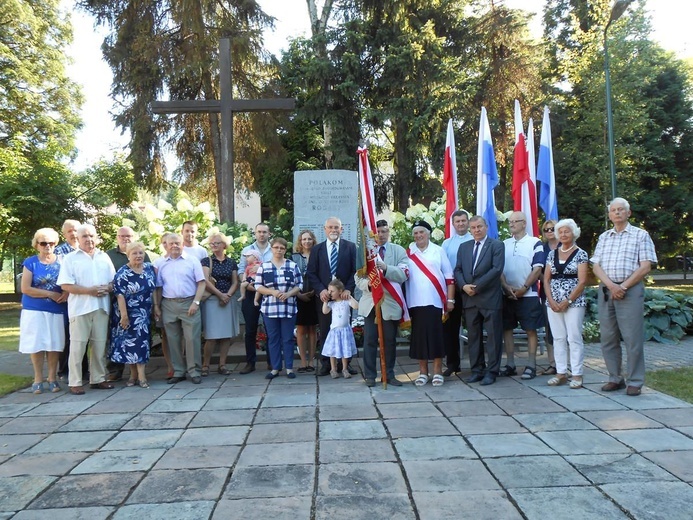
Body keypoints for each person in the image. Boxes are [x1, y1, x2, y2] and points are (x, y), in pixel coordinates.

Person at [591, 197, 657, 396]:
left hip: (630, 290)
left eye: (621, 209)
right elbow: (595, 265)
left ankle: (635, 381)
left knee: (632, 338)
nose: (617, 213)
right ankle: (614, 378)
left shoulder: (640, 235)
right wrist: (611, 286)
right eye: (614, 210)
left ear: (629, 213)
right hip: (607, 290)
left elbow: (645, 266)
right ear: (610, 215)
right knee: (608, 337)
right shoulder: (604, 237)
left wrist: (623, 286)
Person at [57, 224, 116, 395]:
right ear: (78, 238)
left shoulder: (103, 257)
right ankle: (75, 381)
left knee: (99, 346)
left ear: (96, 238)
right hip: (80, 308)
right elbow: (66, 285)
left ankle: (98, 379)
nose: (89, 239)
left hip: (101, 307)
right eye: (84, 236)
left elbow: (114, 282)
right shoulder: (70, 258)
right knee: (78, 347)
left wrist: (108, 288)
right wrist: (89, 291)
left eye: (92, 236)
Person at [355, 219, 409, 387]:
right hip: (371, 302)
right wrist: (369, 285)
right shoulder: (365, 252)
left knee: (389, 340)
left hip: (390, 302)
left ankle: (389, 375)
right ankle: (370, 376)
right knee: (370, 340)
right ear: (373, 233)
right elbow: (358, 276)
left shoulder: (398, 251)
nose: (381, 234)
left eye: (384, 231)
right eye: (378, 231)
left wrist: (386, 268)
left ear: (388, 232)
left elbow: (404, 273)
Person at [454, 216, 505, 386]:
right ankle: (477, 370)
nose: (476, 230)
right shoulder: (464, 247)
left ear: (486, 227)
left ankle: (492, 371)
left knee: (493, 337)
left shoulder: (497, 245)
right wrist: (463, 286)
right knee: (474, 337)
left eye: (480, 226)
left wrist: (476, 287)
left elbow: (496, 270)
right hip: (469, 299)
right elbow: (458, 269)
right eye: (473, 227)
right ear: (470, 229)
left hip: (489, 298)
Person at [405, 220, 455, 387]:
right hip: (416, 302)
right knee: (419, 339)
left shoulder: (438, 251)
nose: (419, 236)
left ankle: (438, 371)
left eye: (422, 232)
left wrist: (450, 299)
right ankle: (423, 372)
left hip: (436, 302)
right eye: (416, 233)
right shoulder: (408, 253)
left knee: (436, 337)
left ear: (428, 233)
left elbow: (449, 276)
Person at [19, 228, 68, 394]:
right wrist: (50, 294)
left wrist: (66, 293)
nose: (48, 246)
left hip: (56, 309)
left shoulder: (63, 261)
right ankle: (38, 378)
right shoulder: (30, 262)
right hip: (34, 309)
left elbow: (69, 282)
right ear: (37, 245)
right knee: (37, 343)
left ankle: (52, 378)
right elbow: (25, 288)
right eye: (44, 243)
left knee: (54, 344)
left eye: (51, 243)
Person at [306, 217, 357, 376]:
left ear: (341, 229)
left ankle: (346, 364)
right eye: (330, 227)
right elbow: (311, 273)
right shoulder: (317, 249)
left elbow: (354, 271)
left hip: (344, 299)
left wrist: (348, 289)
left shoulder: (350, 247)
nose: (333, 230)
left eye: (336, 227)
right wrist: (321, 290)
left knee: (344, 329)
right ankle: (326, 364)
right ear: (325, 229)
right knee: (326, 329)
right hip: (325, 298)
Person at [154, 233, 207, 384]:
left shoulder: (192, 260)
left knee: (192, 339)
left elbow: (202, 283)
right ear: (166, 245)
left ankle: (195, 371)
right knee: (173, 339)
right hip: (168, 304)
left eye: (177, 243)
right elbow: (157, 287)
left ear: (182, 244)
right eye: (171, 244)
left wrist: (195, 303)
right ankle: (178, 371)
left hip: (189, 302)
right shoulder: (161, 262)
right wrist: (156, 306)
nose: (174, 246)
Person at [500, 211, 545, 380]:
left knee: (530, 329)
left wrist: (524, 288)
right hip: (508, 294)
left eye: (515, 221)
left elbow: (538, 268)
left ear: (524, 223)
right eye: (510, 222)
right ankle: (510, 364)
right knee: (507, 329)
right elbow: (499, 269)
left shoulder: (535, 242)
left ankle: (531, 364)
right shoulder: (503, 244)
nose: (511, 224)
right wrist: (505, 287)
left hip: (529, 294)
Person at [543, 219, 588, 389]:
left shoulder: (581, 254)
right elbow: (546, 279)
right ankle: (561, 372)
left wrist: (568, 300)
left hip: (574, 302)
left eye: (566, 231)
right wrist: (552, 300)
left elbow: (582, 281)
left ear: (574, 233)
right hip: (553, 302)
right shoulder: (551, 254)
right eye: (560, 231)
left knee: (574, 337)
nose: (563, 234)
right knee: (558, 337)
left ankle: (577, 374)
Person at [106, 226, 151, 382]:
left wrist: (156, 307)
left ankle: (141, 376)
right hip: (126, 311)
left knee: (141, 343)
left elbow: (156, 287)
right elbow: (119, 295)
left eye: (140, 253)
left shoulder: (149, 268)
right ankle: (131, 375)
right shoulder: (121, 270)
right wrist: (124, 316)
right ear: (128, 255)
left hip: (144, 313)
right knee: (127, 343)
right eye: (134, 253)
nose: (138, 255)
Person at [255, 237, 303, 379]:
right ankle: (275, 368)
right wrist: (272, 292)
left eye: (282, 248)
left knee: (288, 339)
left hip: (288, 308)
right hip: (270, 309)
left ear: (285, 250)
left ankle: (289, 368)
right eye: (276, 247)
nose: (279, 250)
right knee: (273, 339)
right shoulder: (264, 266)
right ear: (272, 249)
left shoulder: (292, 265)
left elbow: (299, 284)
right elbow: (258, 286)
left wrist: (289, 293)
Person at [200, 232, 239, 376]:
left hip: (227, 300)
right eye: (211, 243)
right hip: (212, 300)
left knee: (226, 336)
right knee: (211, 336)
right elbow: (205, 280)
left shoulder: (231, 262)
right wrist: (220, 295)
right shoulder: (206, 261)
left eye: (216, 243)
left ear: (224, 245)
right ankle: (206, 365)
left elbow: (235, 281)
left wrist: (228, 295)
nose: (214, 246)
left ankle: (222, 365)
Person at [237, 223, 273, 374]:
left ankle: (272, 362)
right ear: (255, 233)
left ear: (269, 234)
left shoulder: (274, 249)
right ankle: (250, 362)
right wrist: (247, 285)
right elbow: (240, 271)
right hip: (251, 292)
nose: (262, 234)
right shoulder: (247, 250)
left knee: (271, 329)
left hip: (269, 293)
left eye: (264, 232)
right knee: (250, 329)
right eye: (259, 232)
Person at [441, 209, 473, 376]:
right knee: (450, 328)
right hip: (452, 290)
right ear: (453, 224)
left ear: (468, 222)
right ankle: (453, 364)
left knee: (474, 327)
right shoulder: (447, 243)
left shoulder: (475, 239)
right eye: (457, 221)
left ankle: (477, 363)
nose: (460, 224)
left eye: (463, 221)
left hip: (471, 289)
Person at [54, 219, 84, 380]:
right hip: (65, 300)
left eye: (75, 230)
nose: (73, 234)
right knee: (67, 336)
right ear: (64, 234)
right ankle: (65, 371)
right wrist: (65, 290)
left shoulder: (87, 250)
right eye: (70, 231)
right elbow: (58, 276)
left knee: (83, 336)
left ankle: (83, 370)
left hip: (84, 299)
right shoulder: (59, 252)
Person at [292, 230, 319, 372]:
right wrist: (299, 294)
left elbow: (321, 274)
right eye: (304, 239)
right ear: (300, 241)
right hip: (299, 296)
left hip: (315, 296)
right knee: (301, 329)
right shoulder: (294, 257)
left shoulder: (318, 255)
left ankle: (311, 361)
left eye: (309, 239)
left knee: (313, 329)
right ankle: (303, 361)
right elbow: (291, 278)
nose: (306, 241)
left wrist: (315, 291)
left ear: (313, 240)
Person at [322, 279, 359, 378]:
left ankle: (344, 368)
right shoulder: (331, 303)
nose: (330, 293)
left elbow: (356, 306)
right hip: (334, 331)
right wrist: (325, 302)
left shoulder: (346, 302)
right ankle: (333, 369)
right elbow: (325, 311)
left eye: (332, 291)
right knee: (333, 351)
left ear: (340, 291)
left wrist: (349, 297)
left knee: (345, 350)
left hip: (345, 331)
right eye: (329, 291)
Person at [153, 233, 175, 378]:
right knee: (166, 336)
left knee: (180, 336)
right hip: (164, 303)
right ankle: (170, 366)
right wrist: (156, 306)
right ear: (163, 244)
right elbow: (156, 286)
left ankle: (180, 364)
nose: (170, 245)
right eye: (166, 242)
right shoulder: (157, 262)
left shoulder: (183, 259)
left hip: (181, 302)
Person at [539, 219, 559, 375]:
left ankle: (567, 364)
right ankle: (553, 364)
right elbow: (537, 268)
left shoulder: (566, 246)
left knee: (567, 331)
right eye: (546, 230)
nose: (549, 231)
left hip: (566, 293)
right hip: (547, 293)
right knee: (550, 330)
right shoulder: (542, 248)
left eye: (552, 228)